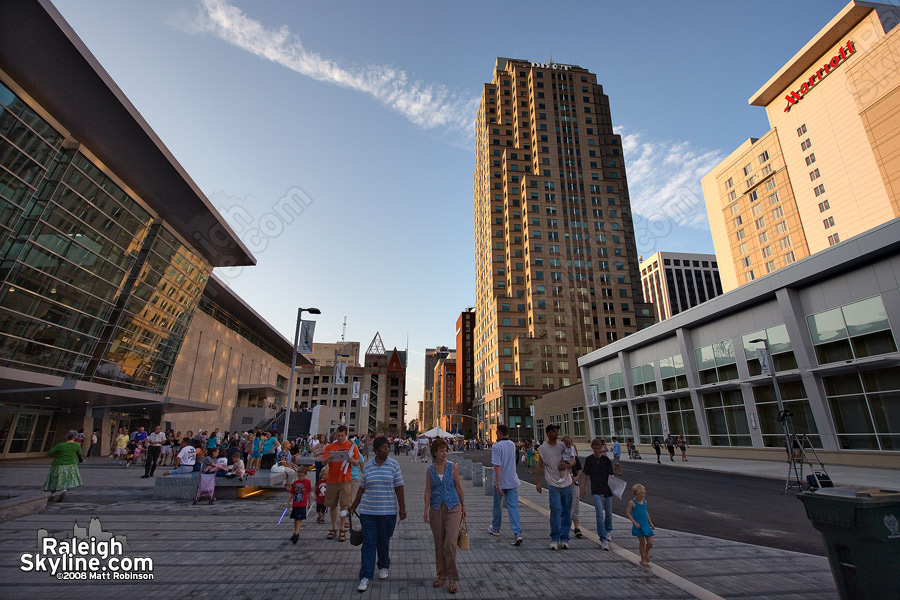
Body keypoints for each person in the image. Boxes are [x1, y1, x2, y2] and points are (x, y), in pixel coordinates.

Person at [350, 435, 406, 593]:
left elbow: (399, 488)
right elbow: (362, 488)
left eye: (388, 447)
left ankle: (383, 565)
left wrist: (402, 508)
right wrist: (354, 505)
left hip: (388, 512)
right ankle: (365, 576)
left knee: (384, 540)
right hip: (368, 512)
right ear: (376, 450)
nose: (387, 449)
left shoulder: (394, 465)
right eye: (384, 447)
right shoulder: (368, 467)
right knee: (369, 543)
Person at [424, 438, 465, 594]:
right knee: (439, 542)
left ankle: (452, 578)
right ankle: (441, 575)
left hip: (453, 506)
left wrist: (464, 505)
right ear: (435, 453)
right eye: (441, 451)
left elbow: (459, 487)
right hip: (436, 507)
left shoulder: (452, 467)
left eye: (446, 450)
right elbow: (428, 491)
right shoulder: (430, 470)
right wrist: (425, 510)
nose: (444, 453)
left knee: (450, 542)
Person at [535, 424, 573, 550]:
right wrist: (538, 482)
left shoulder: (563, 445)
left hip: (566, 482)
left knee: (566, 512)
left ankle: (565, 538)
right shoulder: (543, 448)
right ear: (548, 433)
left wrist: (567, 466)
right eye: (553, 431)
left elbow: (574, 460)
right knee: (556, 510)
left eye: (557, 431)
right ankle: (555, 538)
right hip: (553, 483)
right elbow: (540, 465)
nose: (556, 433)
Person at [323, 425, 360, 542]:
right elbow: (323, 462)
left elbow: (356, 462)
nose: (339, 438)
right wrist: (328, 459)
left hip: (345, 480)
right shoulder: (330, 447)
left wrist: (351, 460)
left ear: (346, 435)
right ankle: (334, 527)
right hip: (332, 480)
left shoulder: (351, 447)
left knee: (344, 505)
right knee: (332, 505)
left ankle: (342, 528)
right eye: (338, 436)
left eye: (342, 436)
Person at [488, 424, 523, 546]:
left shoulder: (497, 447)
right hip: (512, 480)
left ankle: (496, 528)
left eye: (497, 431)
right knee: (513, 507)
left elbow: (497, 466)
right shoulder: (512, 445)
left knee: (497, 506)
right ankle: (517, 533)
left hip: (501, 481)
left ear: (500, 432)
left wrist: (498, 483)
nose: (496, 433)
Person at [582, 438, 614, 550]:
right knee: (599, 514)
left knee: (609, 513)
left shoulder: (606, 460)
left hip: (607, 489)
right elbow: (586, 474)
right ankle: (603, 538)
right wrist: (583, 487)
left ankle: (608, 530)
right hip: (595, 489)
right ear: (592, 448)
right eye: (595, 448)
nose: (597, 450)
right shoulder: (589, 460)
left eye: (599, 448)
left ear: (602, 448)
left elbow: (611, 475)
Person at [43, 430, 83, 502]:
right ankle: (64, 490)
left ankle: (53, 495)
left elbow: (50, 453)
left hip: (58, 464)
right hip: (71, 464)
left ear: (66, 436)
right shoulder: (77, 445)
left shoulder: (60, 445)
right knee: (66, 479)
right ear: (75, 437)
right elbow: (80, 453)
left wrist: (57, 455)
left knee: (55, 480)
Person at [626, 483, 655, 567]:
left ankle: (646, 553)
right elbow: (628, 512)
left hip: (645, 524)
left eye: (642, 495)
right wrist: (634, 522)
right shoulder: (632, 503)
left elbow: (646, 512)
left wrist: (650, 522)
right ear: (635, 494)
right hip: (638, 525)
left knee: (650, 542)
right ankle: (643, 559)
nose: (641, 497)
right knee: (642, 542)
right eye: (639, 496)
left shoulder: (644, 502)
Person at [286, 465, 312, 544]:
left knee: (299, 519)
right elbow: (291, 493)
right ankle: (295, 532)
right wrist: (288, 502)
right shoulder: (295, 483)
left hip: (302, 504)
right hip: (295, 504)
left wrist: (309, 502)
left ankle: (296, 533)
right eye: (299, 476)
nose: (300, 478)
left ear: (305, 475)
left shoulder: (307, 482)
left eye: (302, 476)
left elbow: (309, 493)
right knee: (295, 518)